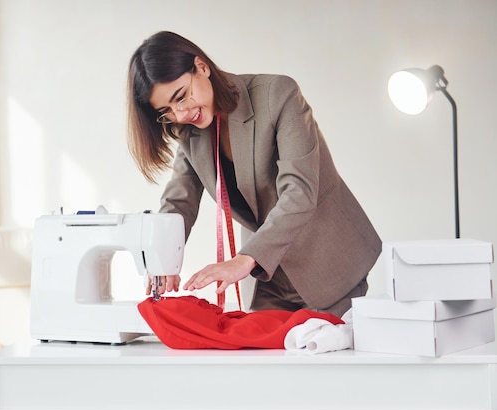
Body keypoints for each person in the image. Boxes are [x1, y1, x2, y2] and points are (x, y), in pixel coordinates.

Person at [127, 31, 381, 318]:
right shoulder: (190, 132)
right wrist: (162, 258)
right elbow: (179, 201)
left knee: (326, 356)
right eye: (167, 111)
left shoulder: (278, 95)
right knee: (263, 359)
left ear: (201, 67)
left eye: (181, 96)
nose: (181, 113)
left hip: (327, 264)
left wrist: (244, 259)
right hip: (267, 281)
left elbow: (299, 191)